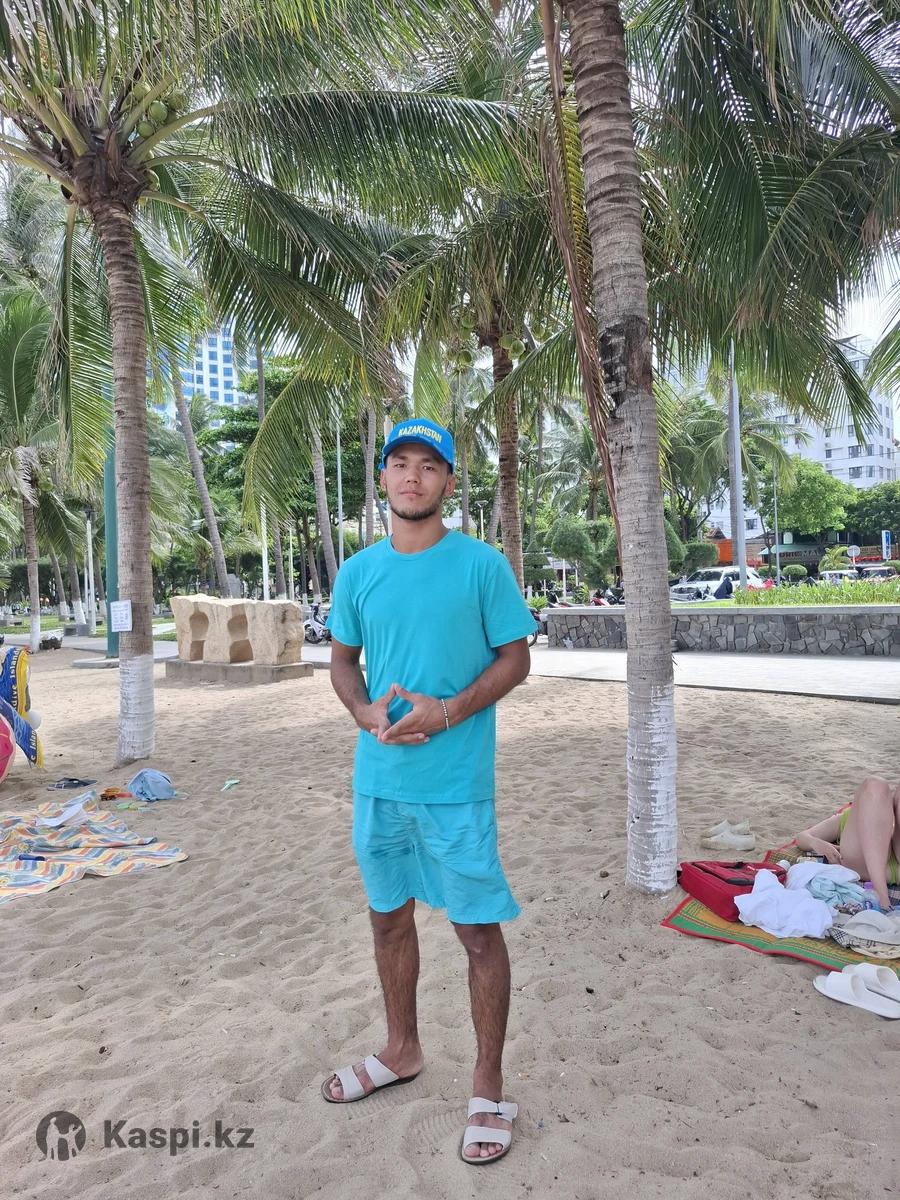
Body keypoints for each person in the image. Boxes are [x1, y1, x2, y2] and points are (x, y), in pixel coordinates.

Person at [323, 417, 535, 1165]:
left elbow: (516, 659)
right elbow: (342, 661)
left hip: (455, 786)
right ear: (383, 477)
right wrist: (361, 710)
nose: (412, 476)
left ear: (447, 480)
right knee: (388, 921)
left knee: (477, 933)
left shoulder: (481, 566)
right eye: (400, 463)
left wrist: (446, 712)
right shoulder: (358, 573)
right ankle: (401, 1049)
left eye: (428, 465)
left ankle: (487, 1084)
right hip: (379, 781)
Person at [796, 777, 900, 912]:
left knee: (875, 785)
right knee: (875, 784)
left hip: (886, 864)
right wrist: (818, 844)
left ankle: (881, 896)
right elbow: (802, 837)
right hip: (866, 864)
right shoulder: (852, 817)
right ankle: (881, 894)